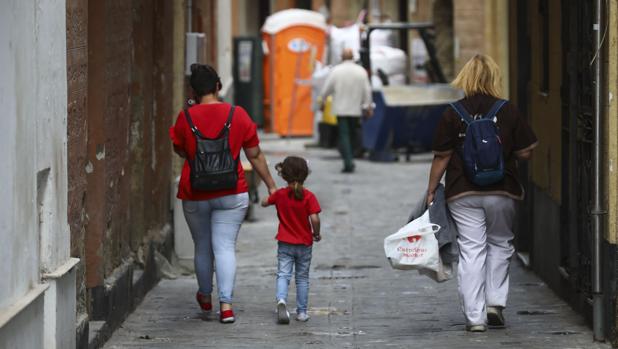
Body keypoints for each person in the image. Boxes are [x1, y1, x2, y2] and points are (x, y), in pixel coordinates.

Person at [426, 54, 538, 332]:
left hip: (462, 191)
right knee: (500, 244)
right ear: (494, 78)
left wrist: (431, 190)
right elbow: (525, 151)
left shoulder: (452, 112)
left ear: (464, 77)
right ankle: (494, 304)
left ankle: (475, 318)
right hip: (502, 189)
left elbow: (441, 156)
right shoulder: (508, 109)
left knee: (471, 249)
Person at [170, 64, 277, 324]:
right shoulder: (237, 114)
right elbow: (255, 154)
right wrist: (271, 186)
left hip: (195, 192)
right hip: (232, 191)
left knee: (203, 247)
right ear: (218, 86)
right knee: (225, 246)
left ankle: (205, 296)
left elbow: (181, 151)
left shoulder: (185, 117)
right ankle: (226, 306)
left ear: (193, 91)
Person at [261, 156, 321, 324]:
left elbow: (264, 202)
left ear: (284, 175)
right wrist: (316, 233)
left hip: (285, 243)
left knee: (283, 274)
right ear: (305, 175)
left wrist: (271, 195)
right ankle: (301, 313)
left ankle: (281, 300)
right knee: (302, 278)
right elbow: (315, 219)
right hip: (304, 243)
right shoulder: (309, 196)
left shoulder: (280, 194)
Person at [320, 47, 373, 173]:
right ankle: (350, 159)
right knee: (353, 134)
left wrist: (322, 101)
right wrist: (368, 106)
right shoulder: (361, 71)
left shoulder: (336, 71)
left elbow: (326, 89)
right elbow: (367, 91)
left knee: (344, 135)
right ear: (353, 57)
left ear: (342, 57)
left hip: (341, 109)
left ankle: (348, 162)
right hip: (355, 109)